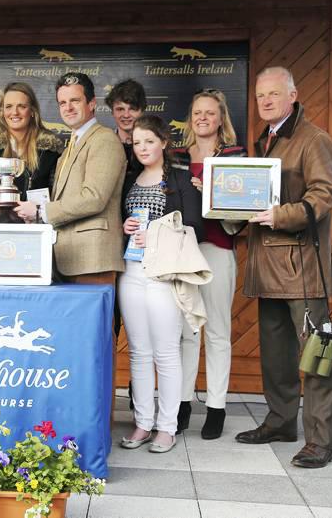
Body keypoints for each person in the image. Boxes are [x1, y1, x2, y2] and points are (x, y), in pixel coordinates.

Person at [235, 67, 332, 469]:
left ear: (292, 95)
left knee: (316, 356)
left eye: (273, 94)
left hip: (303, 268)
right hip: (268, 267)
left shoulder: (314, 139)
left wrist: (280, 215)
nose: (265, 101)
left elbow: (325, 195)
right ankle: (281, 423)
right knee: (277, 356)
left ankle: (320, 441)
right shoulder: (266, 140)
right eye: (260, 95)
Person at [118, 115, 203, 454]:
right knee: (139, 352)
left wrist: (152, 232)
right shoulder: (129, 180)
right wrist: (125, 225)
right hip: (131, 271)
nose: (142, 148)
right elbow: (118, 218)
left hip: (164, 273)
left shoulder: (180, 179)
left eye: (149, 141)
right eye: (137, 142)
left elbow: (194, 225)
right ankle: (143, 423)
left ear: (164, 143)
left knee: (166, 352)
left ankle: (167, 427)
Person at [175, 89, 246, 440]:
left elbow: (244, 208)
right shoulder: (176, 156)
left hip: (218, 247)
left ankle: (216, 407)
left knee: (217, 332)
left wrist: (211, 195)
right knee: (187, 333)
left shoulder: (234, 156)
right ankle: (182, 404)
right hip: (183, 252)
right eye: (197, 112)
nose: (202, 118)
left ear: (221, 119)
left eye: (210, 113)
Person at [14, 72, 125, 285]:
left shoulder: (104, 139)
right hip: (67, 257)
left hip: (93, 258)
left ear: (92, 103)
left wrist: (41, 211)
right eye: (62, 103)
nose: (68, 108)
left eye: (75, 100)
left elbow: (94, 197)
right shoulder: (70, 146)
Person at [0, 82, 63, 205]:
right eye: (8, 106)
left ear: (32, 111)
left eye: (21, 106)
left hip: (37, 217)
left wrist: (38, 211)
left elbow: (57, 195)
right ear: (2, 111)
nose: (15, 112)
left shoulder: (50, 149)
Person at [105, 79, 147, 175]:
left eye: (132, 109)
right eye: (120, 109)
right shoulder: (104, 144)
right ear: (112, 112)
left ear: (142, 111)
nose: (126, 115)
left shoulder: (154, 146)